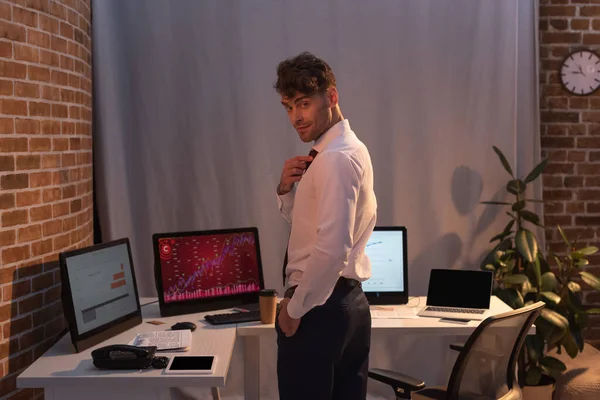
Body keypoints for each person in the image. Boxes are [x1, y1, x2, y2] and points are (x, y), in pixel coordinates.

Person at [274, 51, 377, 400]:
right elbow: (316, 228)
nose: (296, 118)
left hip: (320, 311)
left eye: (303, 104)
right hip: (347, 306)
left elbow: (332, 248)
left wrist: (294, 308)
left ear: (331, 97)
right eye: (288, 107)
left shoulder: (334, 158)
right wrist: (288, 193)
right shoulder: (348, 148)